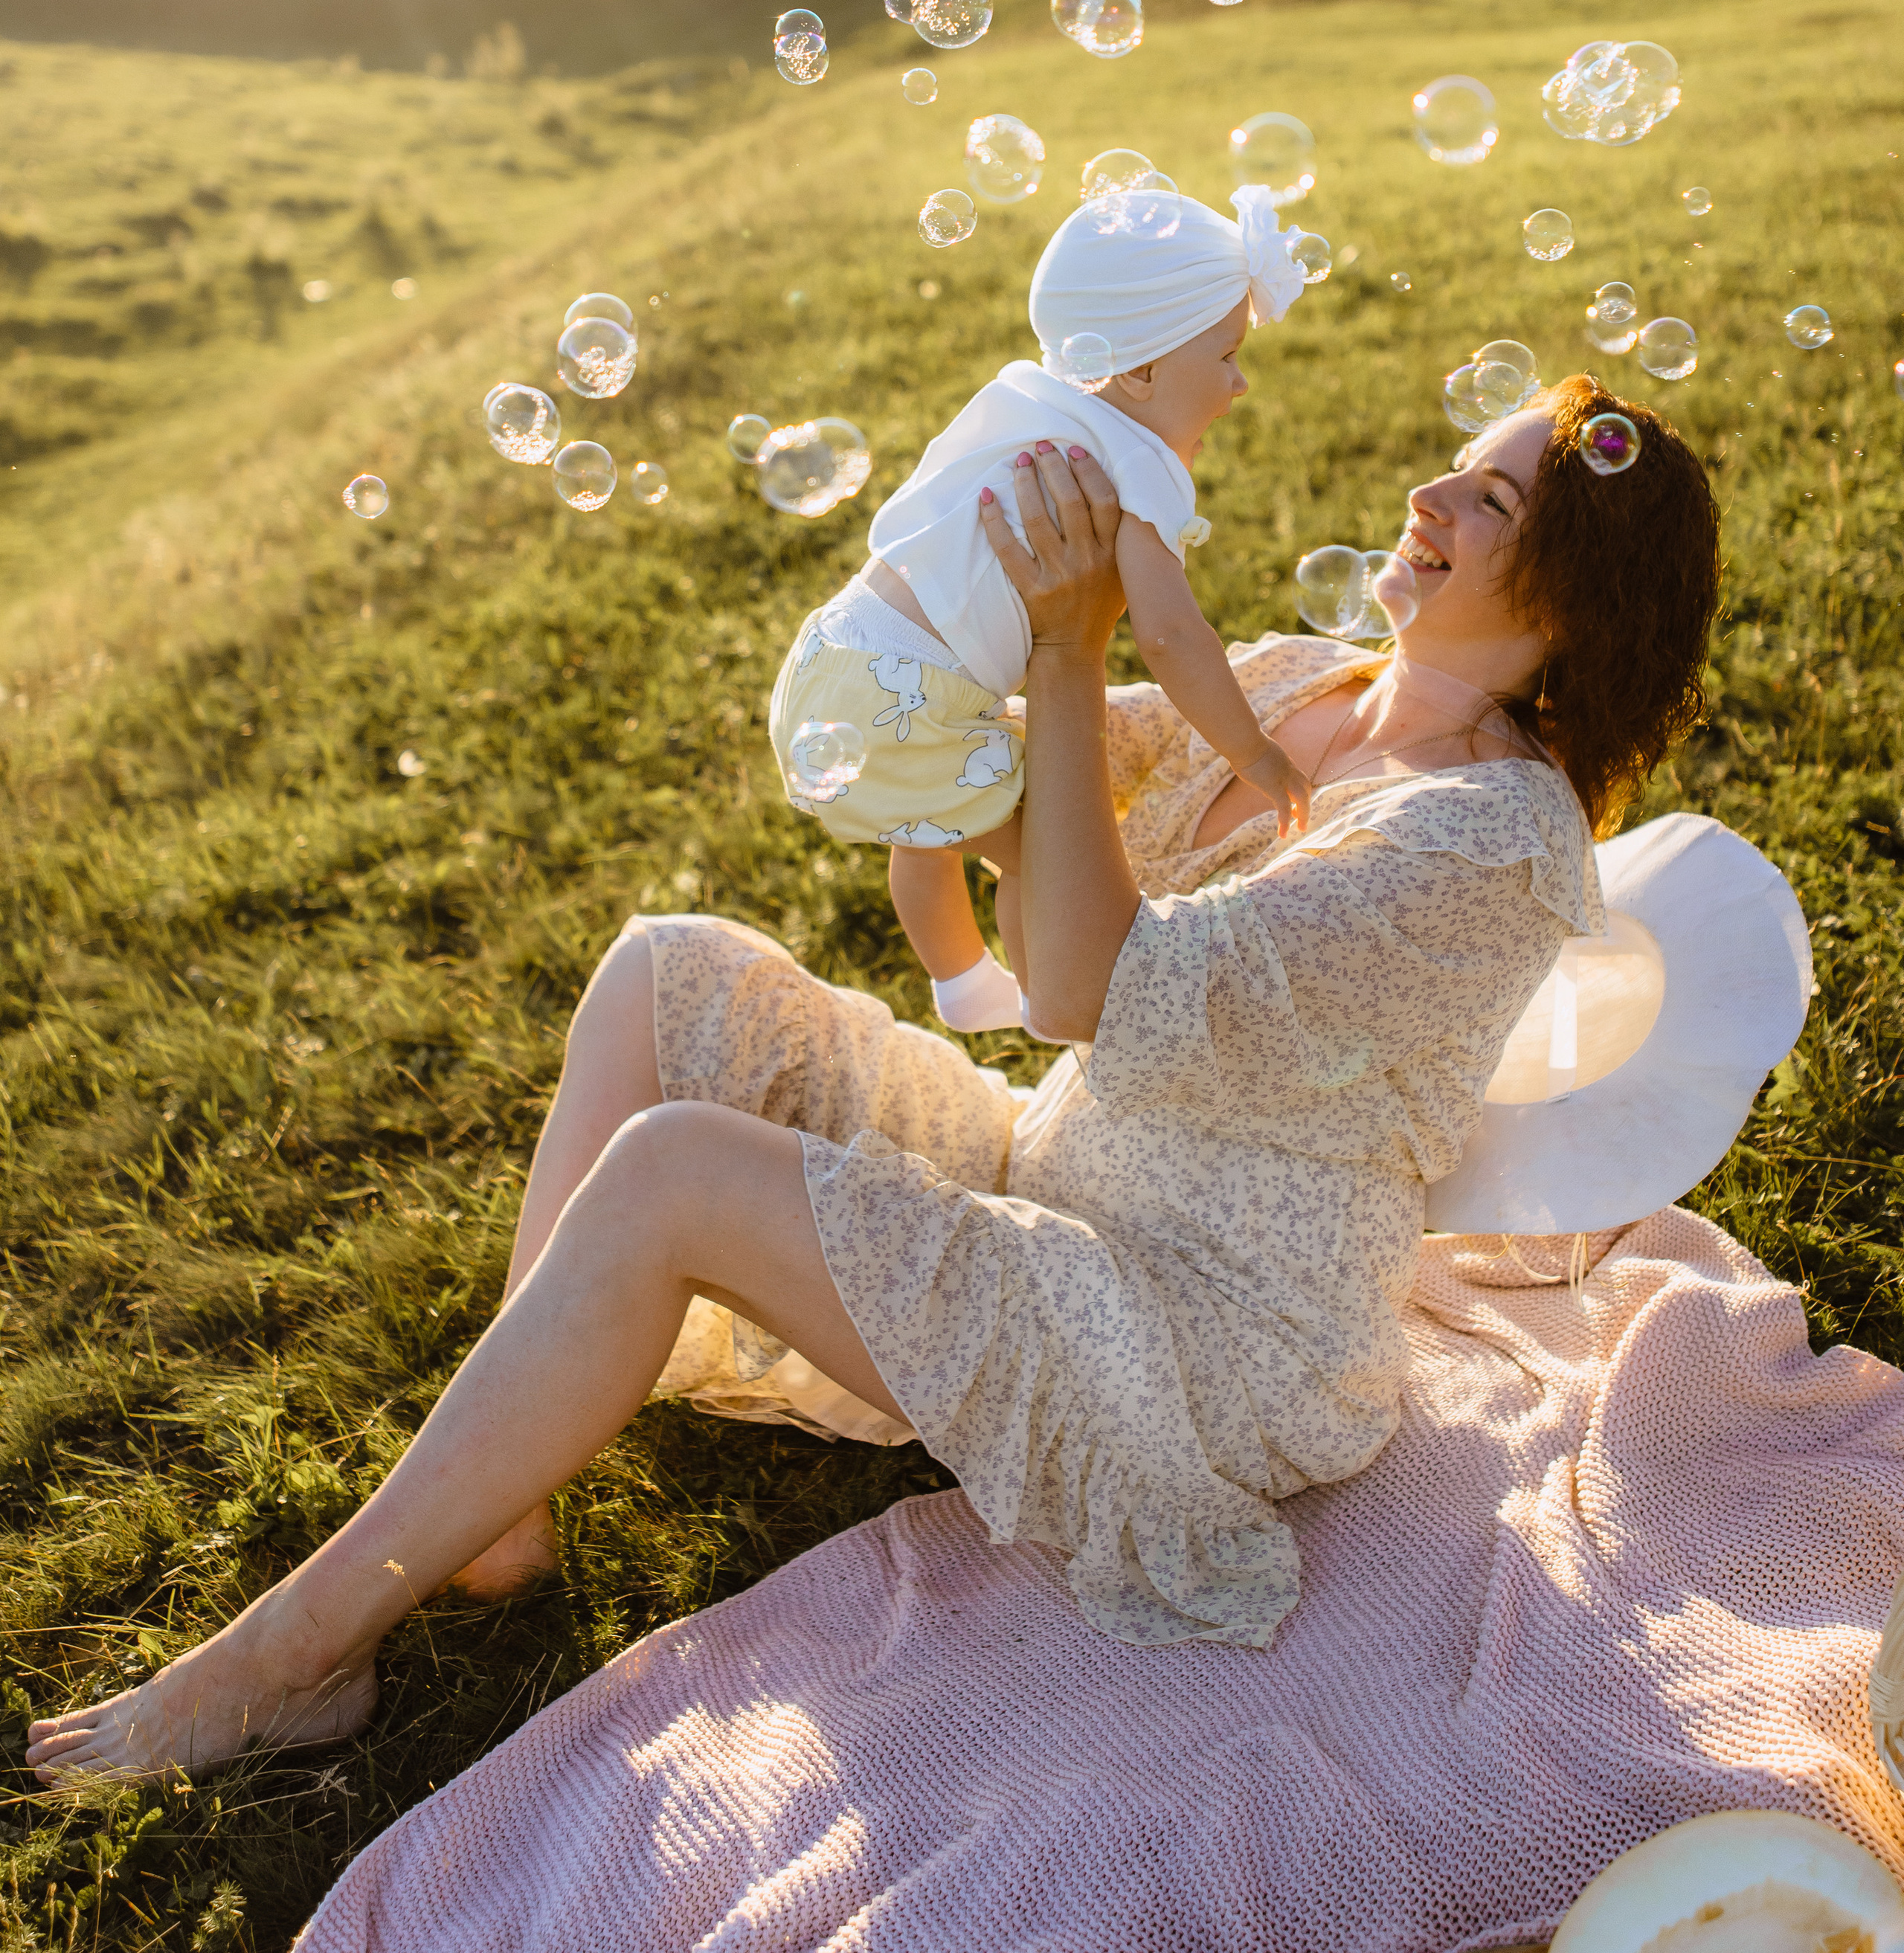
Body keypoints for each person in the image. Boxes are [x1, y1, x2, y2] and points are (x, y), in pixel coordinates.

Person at [28, 374, 1720, 1785]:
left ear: (1575, 597)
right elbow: (999, 777)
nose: (1430, 487)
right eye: (1459, 460)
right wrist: (934, 603)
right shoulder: (1296, 683)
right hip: (1066, 1179)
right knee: (668, 964)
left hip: (1197, 1340)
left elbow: (1079, 978)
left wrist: (1066, 656)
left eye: (1488, 498)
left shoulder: (1480, 842)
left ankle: (289, 1657)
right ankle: (497, 1520)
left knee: (679, 1167)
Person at [768, 184, 1312, 1034]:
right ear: (1141, 368)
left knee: (931, 823)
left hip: (835, 652)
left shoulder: (1023, 396)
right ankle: (1042, 1001)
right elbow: (1170, 635)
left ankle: (959, 981)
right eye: (1229, 355)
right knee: (1043, 856)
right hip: (909, 692)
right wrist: (1256, 752)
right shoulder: (1139, 465)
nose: (1240, 384)